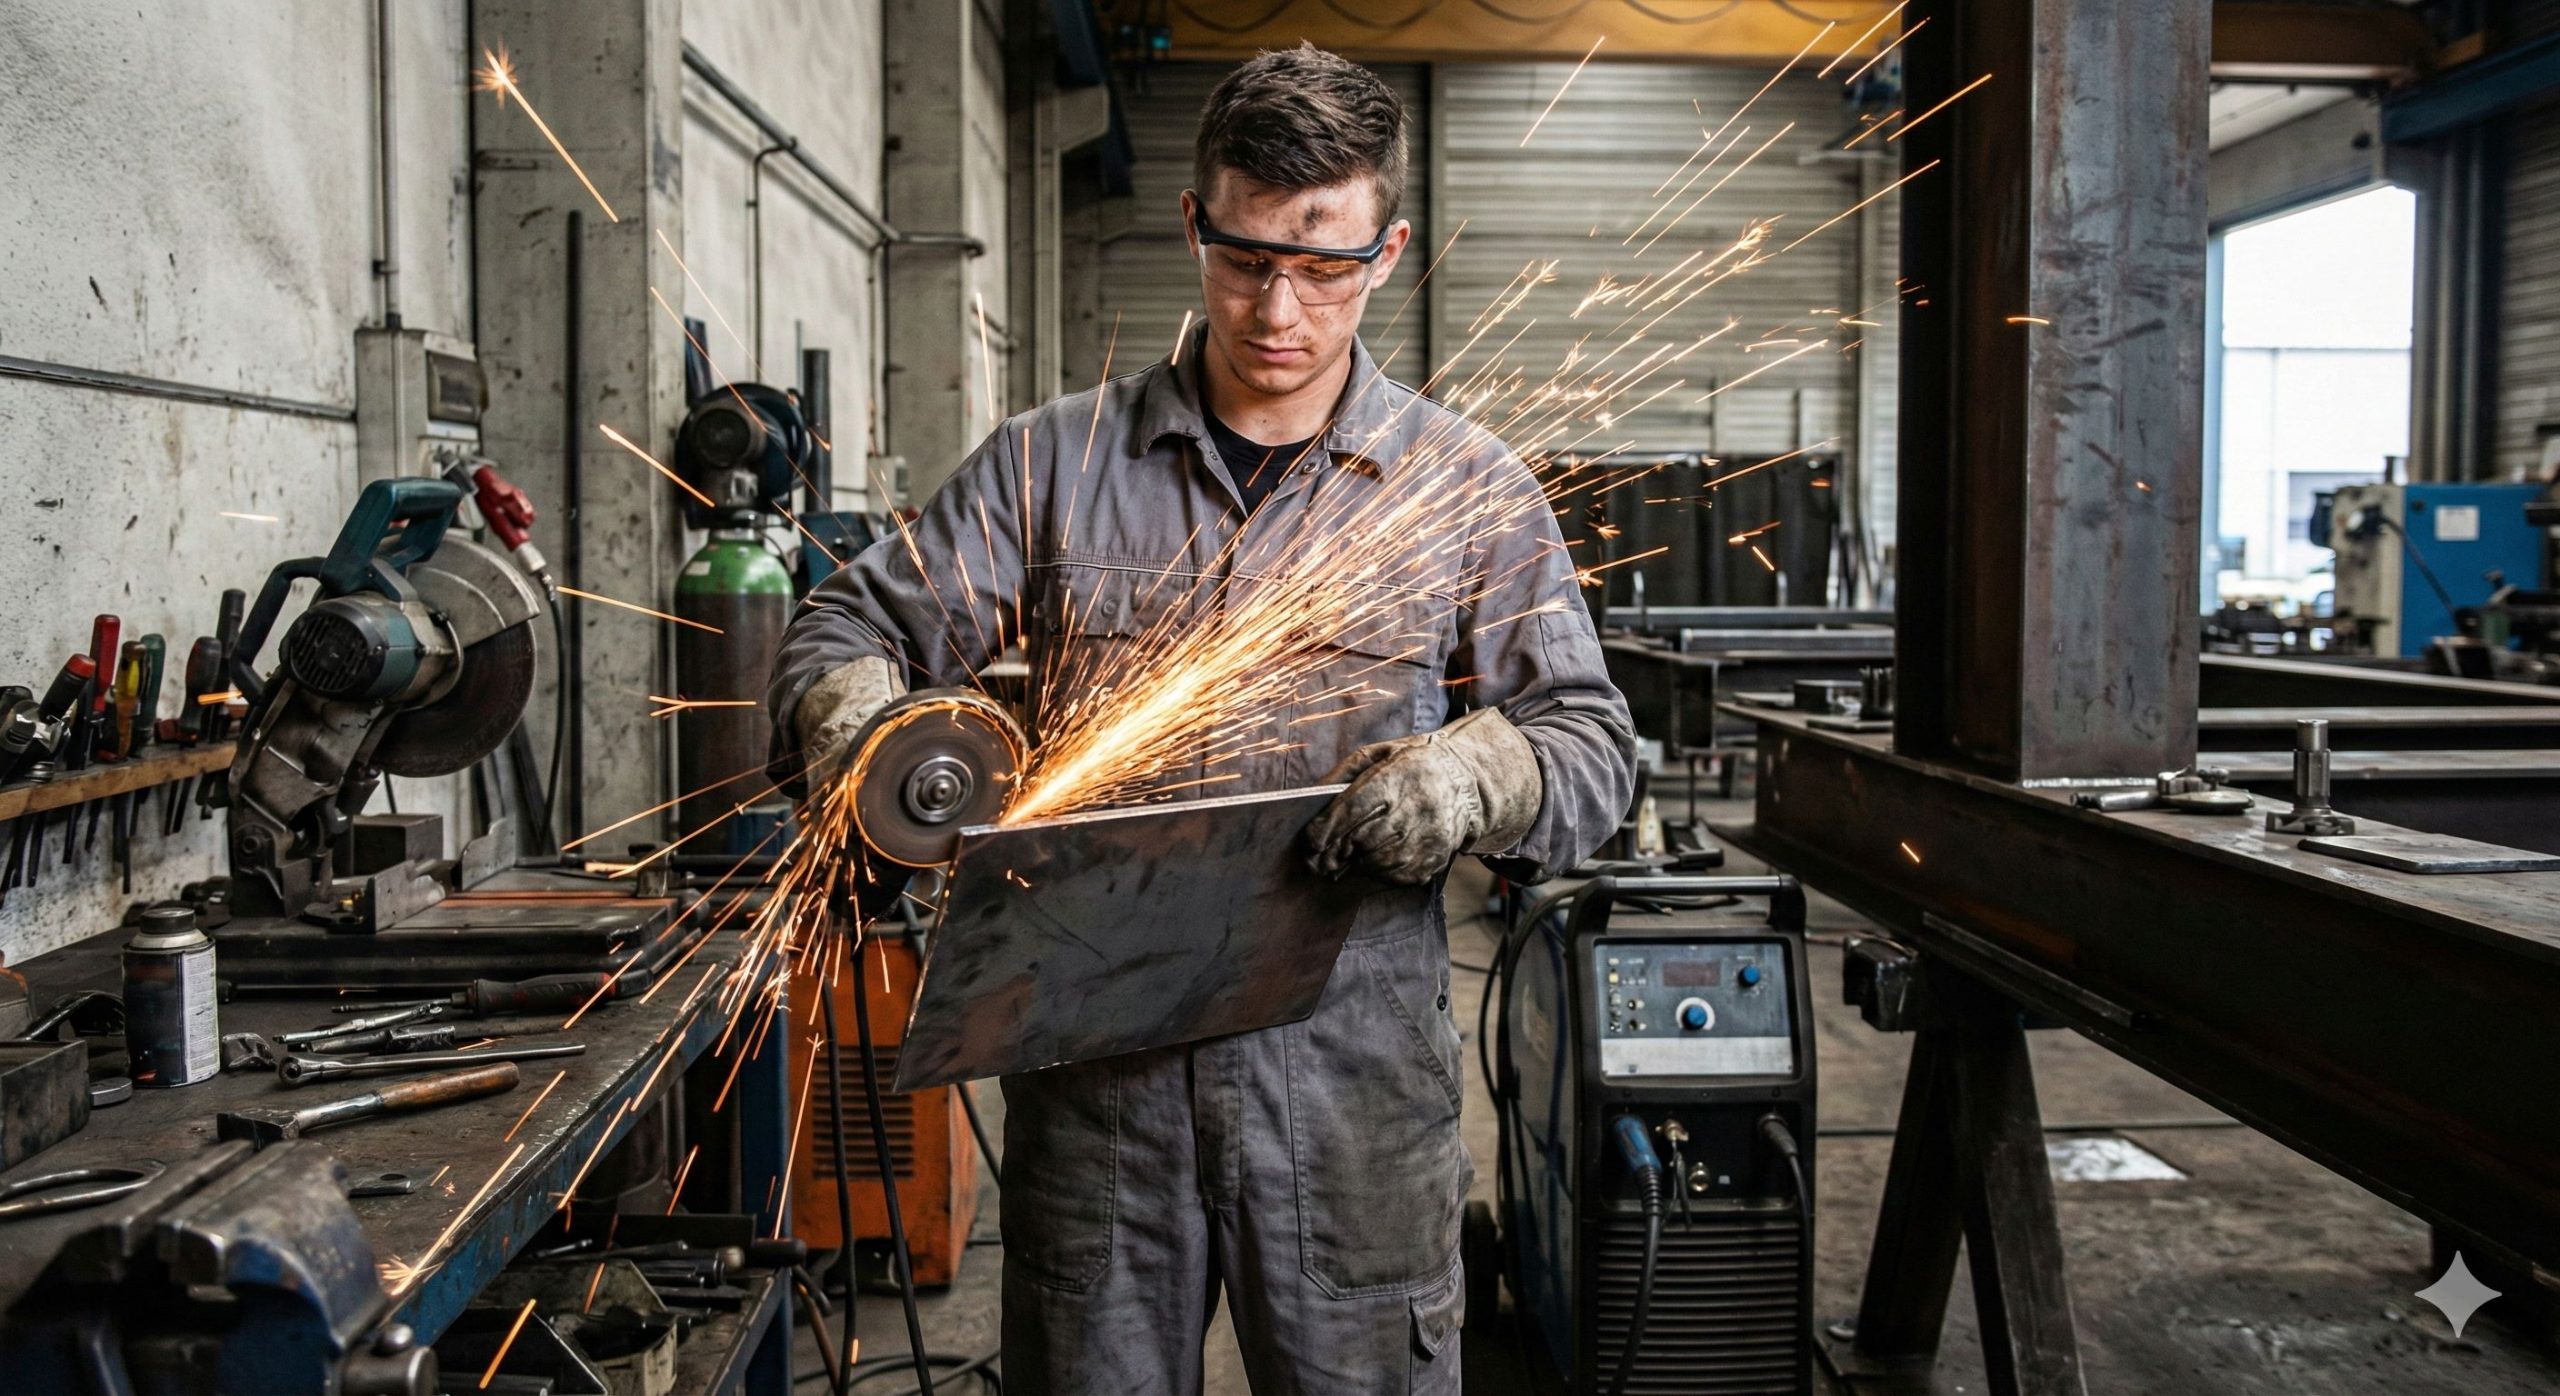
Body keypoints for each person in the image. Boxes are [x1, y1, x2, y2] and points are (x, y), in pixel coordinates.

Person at [767, 43, 1633, 1395]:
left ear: (1388, 249)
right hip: (1101, 1086)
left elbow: (1588, 744)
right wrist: (868, 735)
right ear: (1193, 224)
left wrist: (1473, 777)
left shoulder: (1463, 489)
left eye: (1323, 262)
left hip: (1351, 1091)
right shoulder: (1050, 466)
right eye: (1244, 258)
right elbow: (844, 630)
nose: (1278, 307)